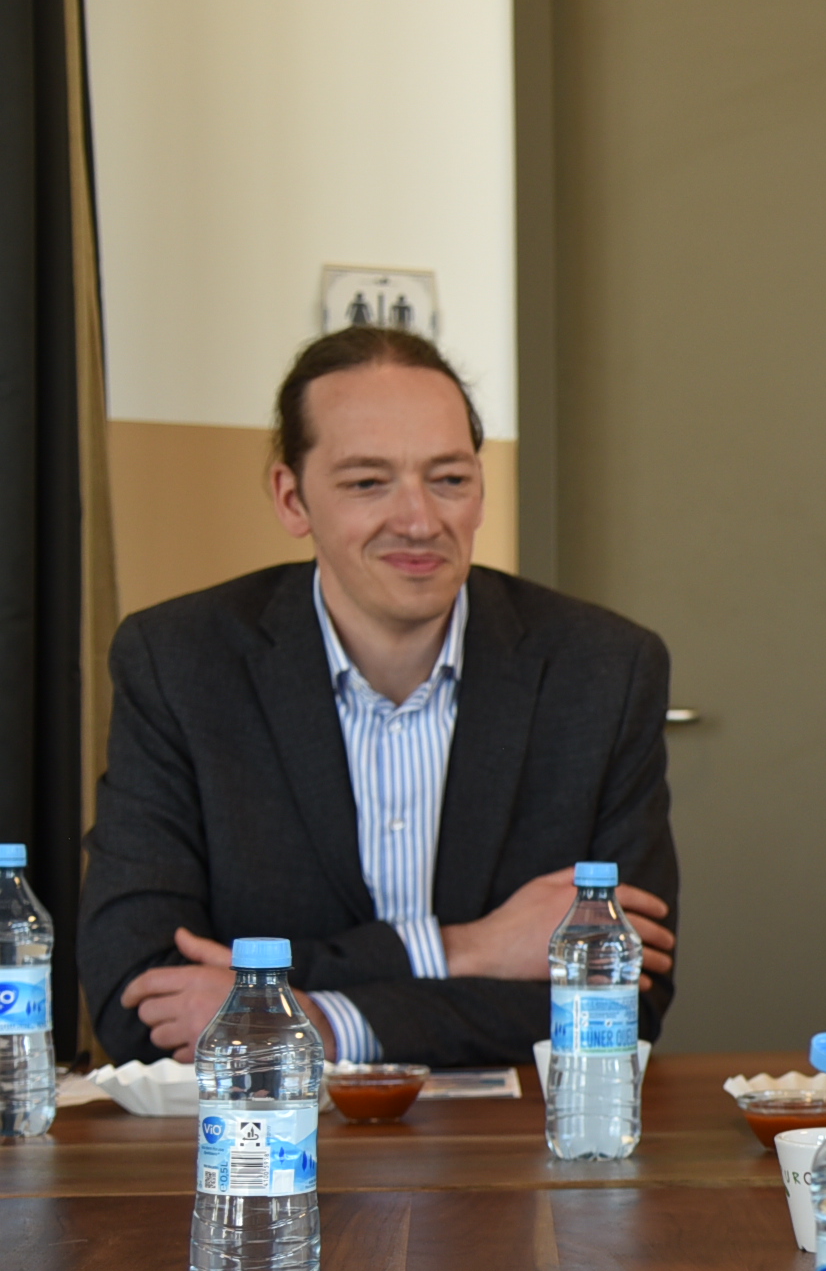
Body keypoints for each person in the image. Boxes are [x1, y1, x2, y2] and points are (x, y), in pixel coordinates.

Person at [82, 326, 677, 1068]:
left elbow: (625, 999)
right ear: (293, 499)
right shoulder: (180, 662)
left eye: (449, 479)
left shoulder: (602, 670)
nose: (420, 522)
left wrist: (324, 1021)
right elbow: (140, 997)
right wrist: (465, 949)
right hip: (260, 1129)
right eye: (368, 483)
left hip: (517, 1135)